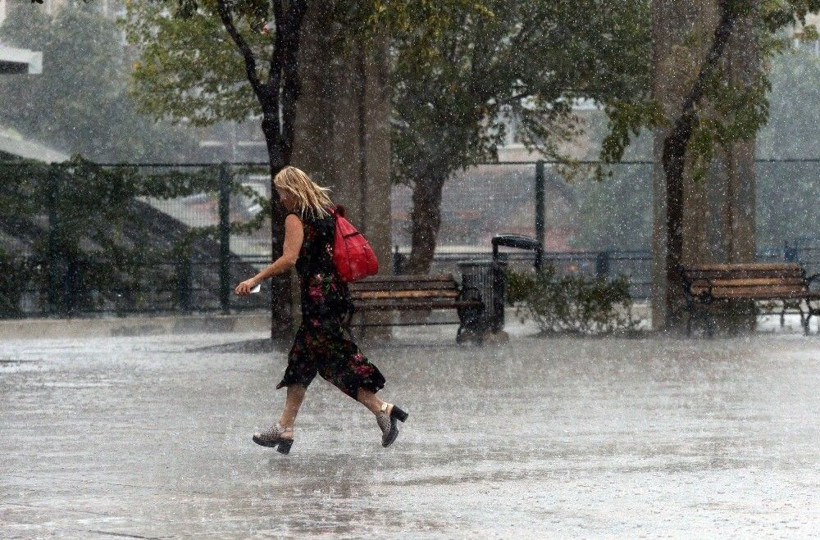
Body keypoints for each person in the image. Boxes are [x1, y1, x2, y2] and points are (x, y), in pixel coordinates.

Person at [235, 166, 408, 455]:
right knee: (303, 361)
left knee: (336, 361)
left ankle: (382, 409)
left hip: (318, 301)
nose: (280, 199)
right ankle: (284, 428)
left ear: (291, 190)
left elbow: (290, 259)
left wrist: (256, 278)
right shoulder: (327, 214)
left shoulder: (296, 217)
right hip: (335, 295)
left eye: (280, 193)